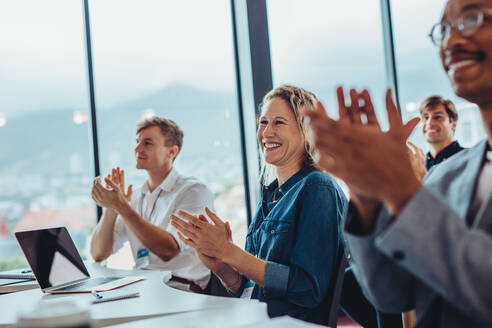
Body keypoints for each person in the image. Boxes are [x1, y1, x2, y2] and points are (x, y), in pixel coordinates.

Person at [303, 0, 492, 326]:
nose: (451, 41)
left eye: (472, 18)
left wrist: (402, 191)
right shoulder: (448, 175)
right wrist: (366, 193)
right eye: (443, 30)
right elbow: (393, 294)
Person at [170, 85, 348, 324]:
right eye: (263, 122)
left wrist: (229, 251)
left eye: (279, 123)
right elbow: (249, 287)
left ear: (305, 130)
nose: (266, 132)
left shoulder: (317, 188)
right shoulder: (272, 195)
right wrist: (221, 265)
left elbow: (308, 289)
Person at [90, 117, 214, 292]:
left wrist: (122, 207)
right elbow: (98, 253)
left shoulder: (194, 191)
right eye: (137, 142)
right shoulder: (134, 197)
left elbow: (168, 250)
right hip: (144, 285)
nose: (137, 149)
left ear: (171, 152)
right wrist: (111, 208)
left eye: (147, 143)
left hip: (180, 288)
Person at [407, 95, 465, 180]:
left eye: (437, 117)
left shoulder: (469, 158)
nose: (429, 123)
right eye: (426, 118)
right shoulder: (420, 163)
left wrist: (422, 176)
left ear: (453, 124)